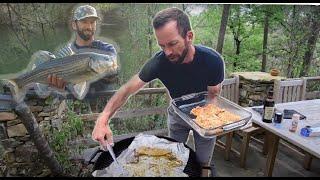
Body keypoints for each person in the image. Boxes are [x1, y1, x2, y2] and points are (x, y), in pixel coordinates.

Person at [91, 7, 225, 177]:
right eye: (162, 45)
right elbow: (126, 89)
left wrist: (208, 119)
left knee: (203, 162)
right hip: (177, 114)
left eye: (172, 43)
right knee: (174, 156)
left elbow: (213, 95)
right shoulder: (159, 62)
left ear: (189, 36)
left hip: (206, 118)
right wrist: (103, 118)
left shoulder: (213, 61)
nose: (167, 52)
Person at [47, 4, 118, 95]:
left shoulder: (107, 49)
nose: (89, 26)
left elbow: (113, 74)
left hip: (102, 104)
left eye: (92, 22)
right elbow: (62, 88)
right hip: (73, 105)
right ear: (74, 25)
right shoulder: (66, 51)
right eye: (84, 22)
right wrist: (58, 87)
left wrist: (110, 72)